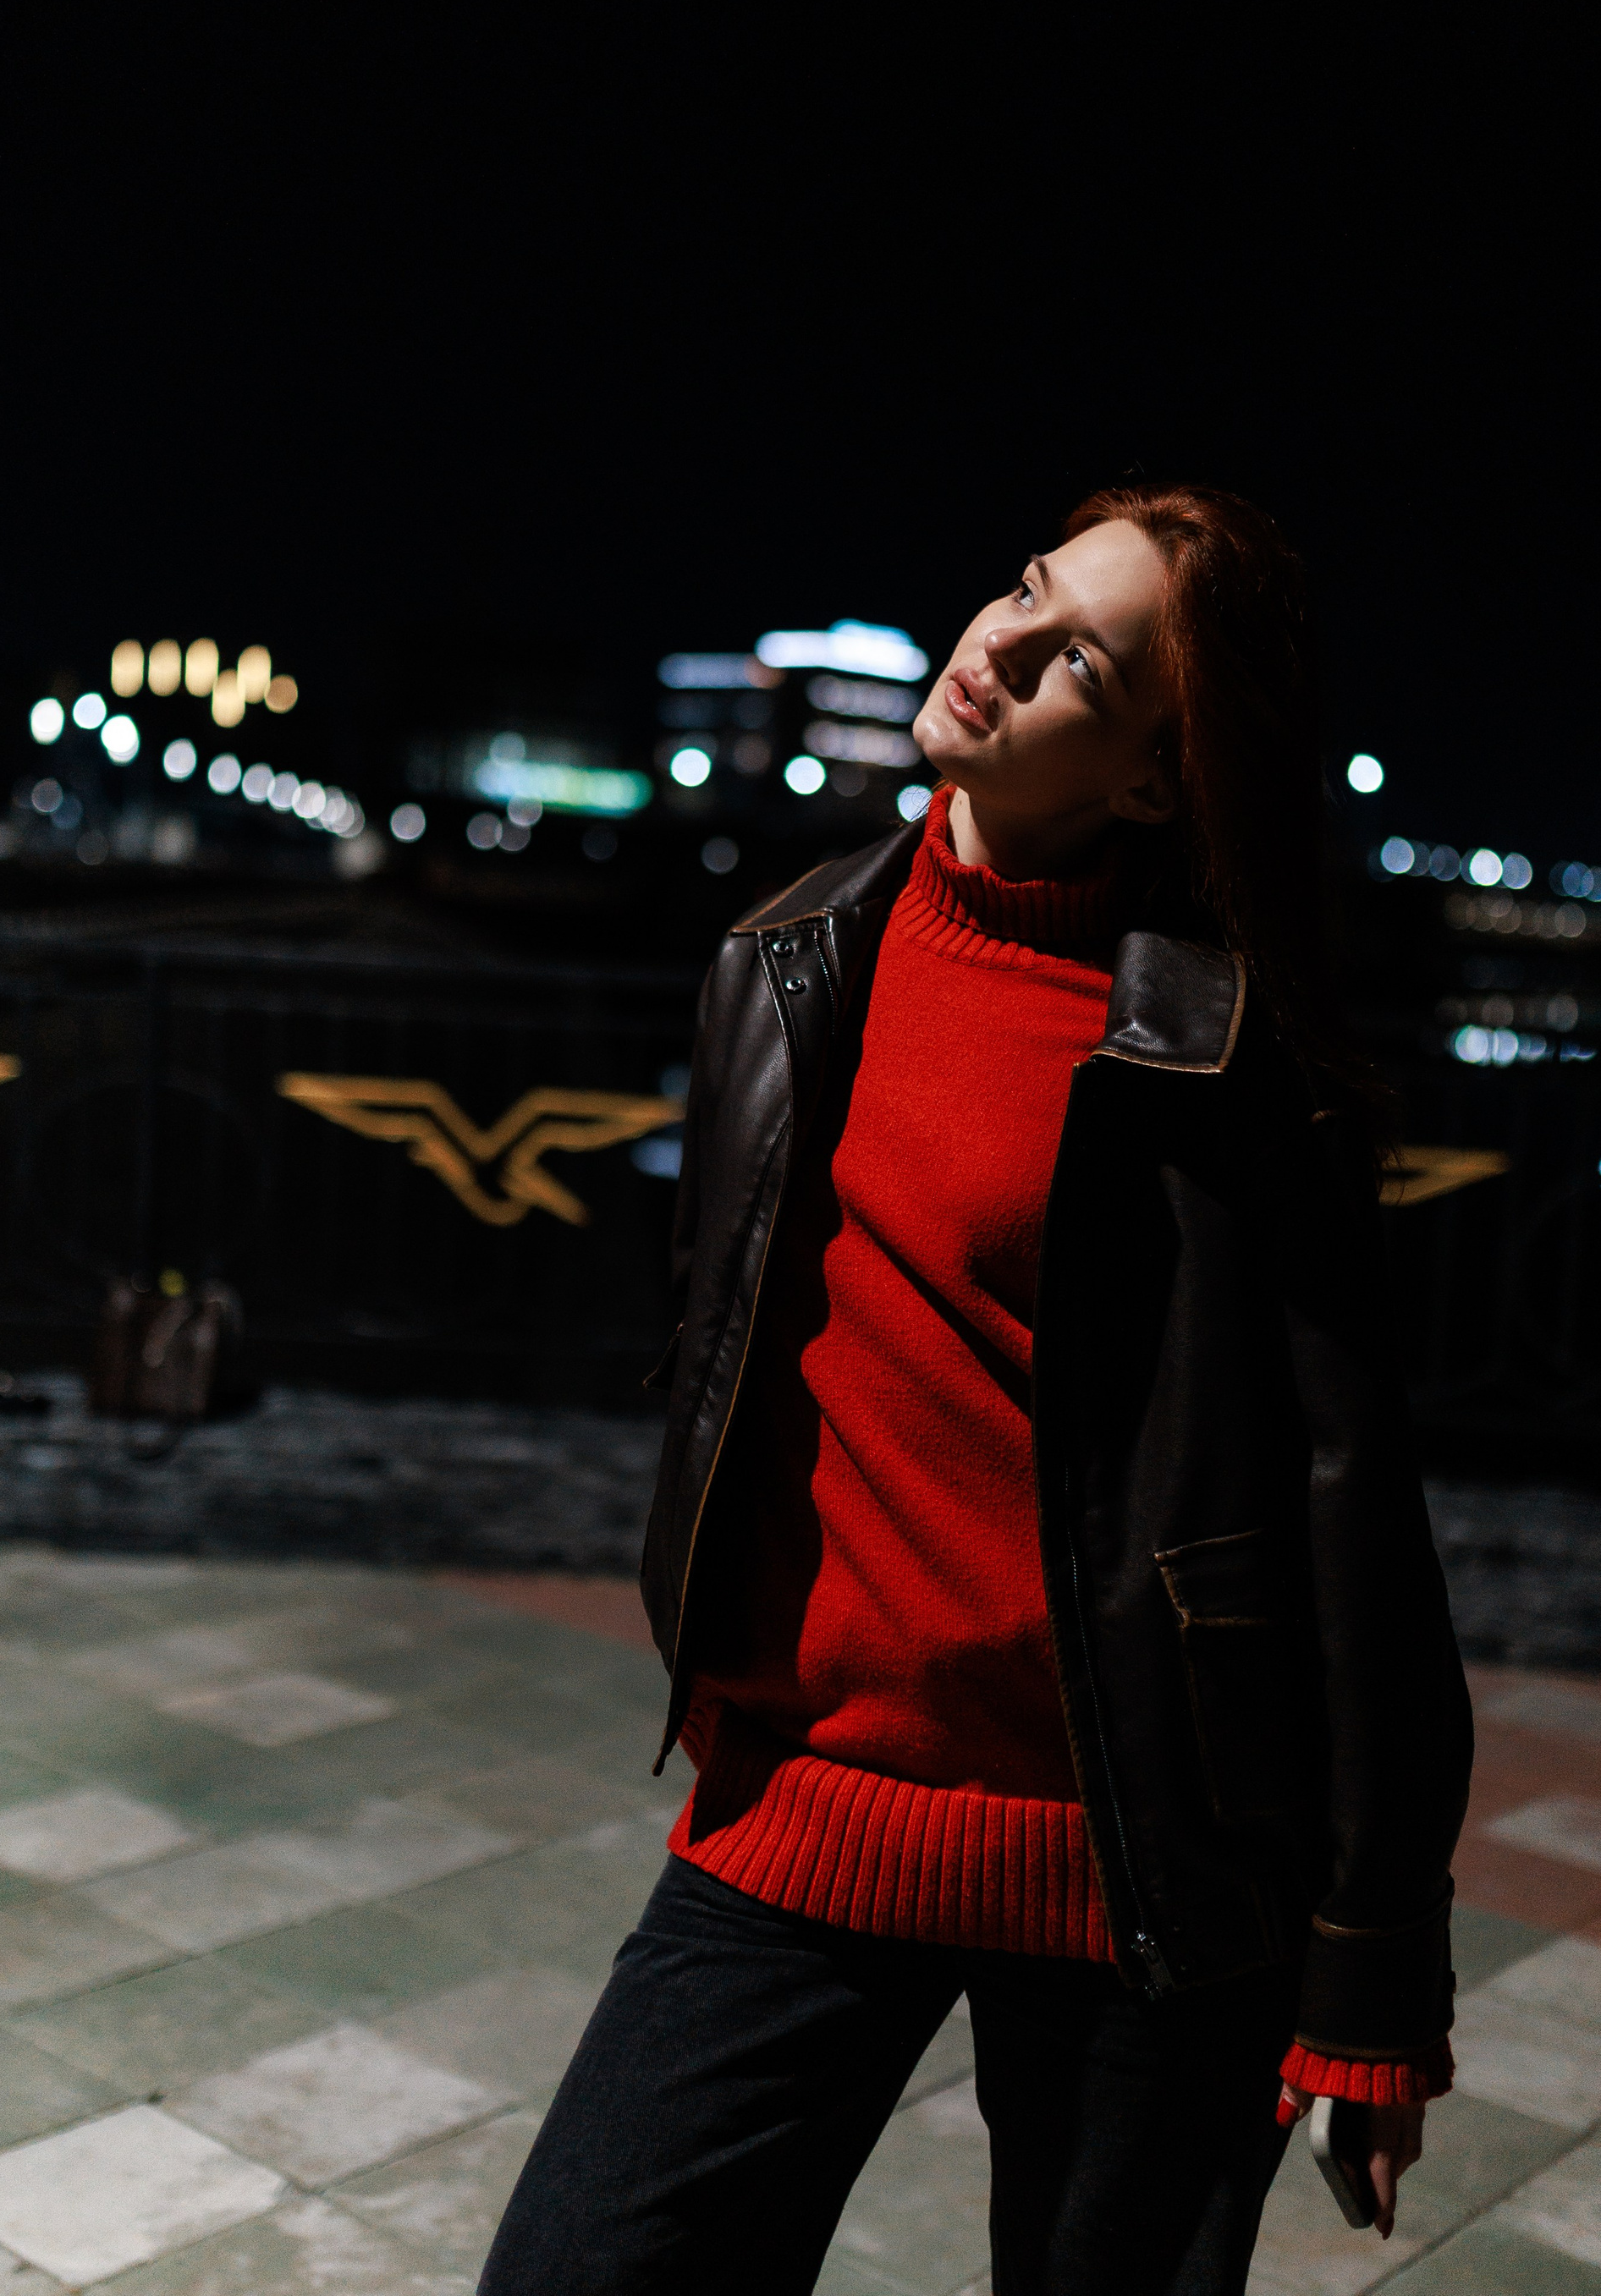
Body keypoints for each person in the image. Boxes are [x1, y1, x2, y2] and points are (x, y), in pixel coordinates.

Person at [478, 484, 1472, 2296]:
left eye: (1079, 658)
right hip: (804, 1805)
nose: (999, 643)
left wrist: (1374, 1980)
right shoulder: (789, 958)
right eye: (1025, 588)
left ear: (1157, 782)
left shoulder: (1234, 1068)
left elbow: (1357, 1530)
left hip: (1140, 1869)